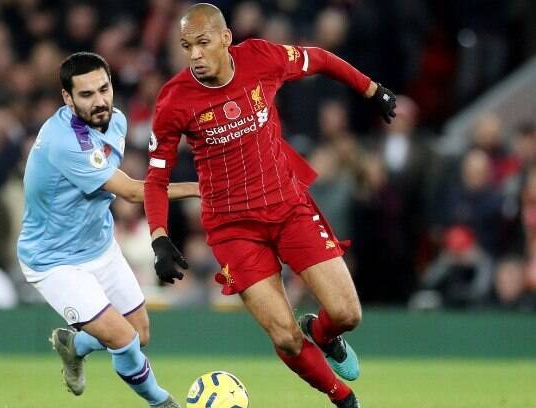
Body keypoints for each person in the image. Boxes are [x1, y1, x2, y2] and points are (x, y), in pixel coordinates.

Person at [144, 4, 396, 407]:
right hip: (233, 229)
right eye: (186, 46)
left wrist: (371, 89)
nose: (194, 55)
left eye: (203, 43)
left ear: (226, 39)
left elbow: (320, 58)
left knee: (347, 314)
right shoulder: (174, 100)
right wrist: (159, 238)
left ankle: (324, 333)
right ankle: (345, 399)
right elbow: (156, 179)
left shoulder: (260, 58)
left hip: (288, 207)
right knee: (283, 334)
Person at [17, 52, 199, 408]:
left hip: (99, 246)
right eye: (86, 95)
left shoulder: (115, 120)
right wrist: (201, 186)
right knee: (122, 338)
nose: (100, 101)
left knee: (140, 334)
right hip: (54, 260)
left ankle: (75, 345)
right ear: (67, 98)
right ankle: (162, 403)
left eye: (104, 89)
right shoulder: (64, 142)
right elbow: (132, 191)